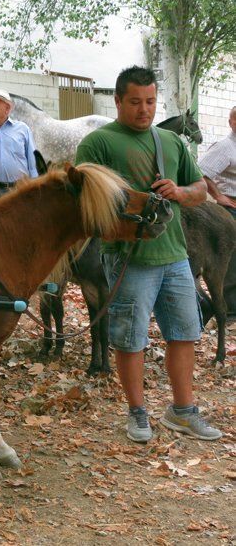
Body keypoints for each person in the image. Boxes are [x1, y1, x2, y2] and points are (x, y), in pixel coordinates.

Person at [75, 65, 221, 443]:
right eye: (136, 102)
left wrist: (179, 191)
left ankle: (182, 411)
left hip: (174, 255)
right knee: (130, 338)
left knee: (185, 333)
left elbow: (200, 190)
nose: (145, 110)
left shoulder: (171, 143)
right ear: (118, 100)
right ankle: (137, 413)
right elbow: (85, 202)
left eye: (151, 102)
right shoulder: (98, 144)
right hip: (128, 257)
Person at [0, 88, 38, 201]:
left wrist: (35, 185)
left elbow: (33, 161)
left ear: (7, 108)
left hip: (20, 190)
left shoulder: (23, 129)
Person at [198, 106, 236, 218]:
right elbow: (200, 171)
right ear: (230, 122)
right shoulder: (224, 147)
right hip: (231, 209)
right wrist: (218, 196)